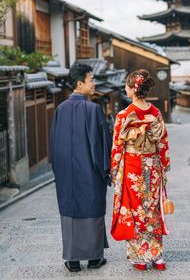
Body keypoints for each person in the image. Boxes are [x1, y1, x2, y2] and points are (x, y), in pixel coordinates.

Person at [50, 62, 112, 272]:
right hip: (90, 172)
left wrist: (59, 172)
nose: (94, 83)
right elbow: (101, 145)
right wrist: (105, 171)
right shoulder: (93, 109)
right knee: (92, 209)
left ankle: (72, 260)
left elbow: (54, 145)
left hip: (66, 174)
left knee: (70, 211)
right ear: (79, 83)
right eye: (91, 79)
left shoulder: (60, 110)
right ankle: (94, 258)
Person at [110, 69, 170, 271]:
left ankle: (140, 258)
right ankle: (157, 256)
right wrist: (164, 166)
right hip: (152, 167)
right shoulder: (156, 113)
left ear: (132, 89)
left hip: (133, 167)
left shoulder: (124, 115)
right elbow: (162, 143)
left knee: (136, 211)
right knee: (153, 210)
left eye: (126, 86)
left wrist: (114, 169)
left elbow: (117, 147)